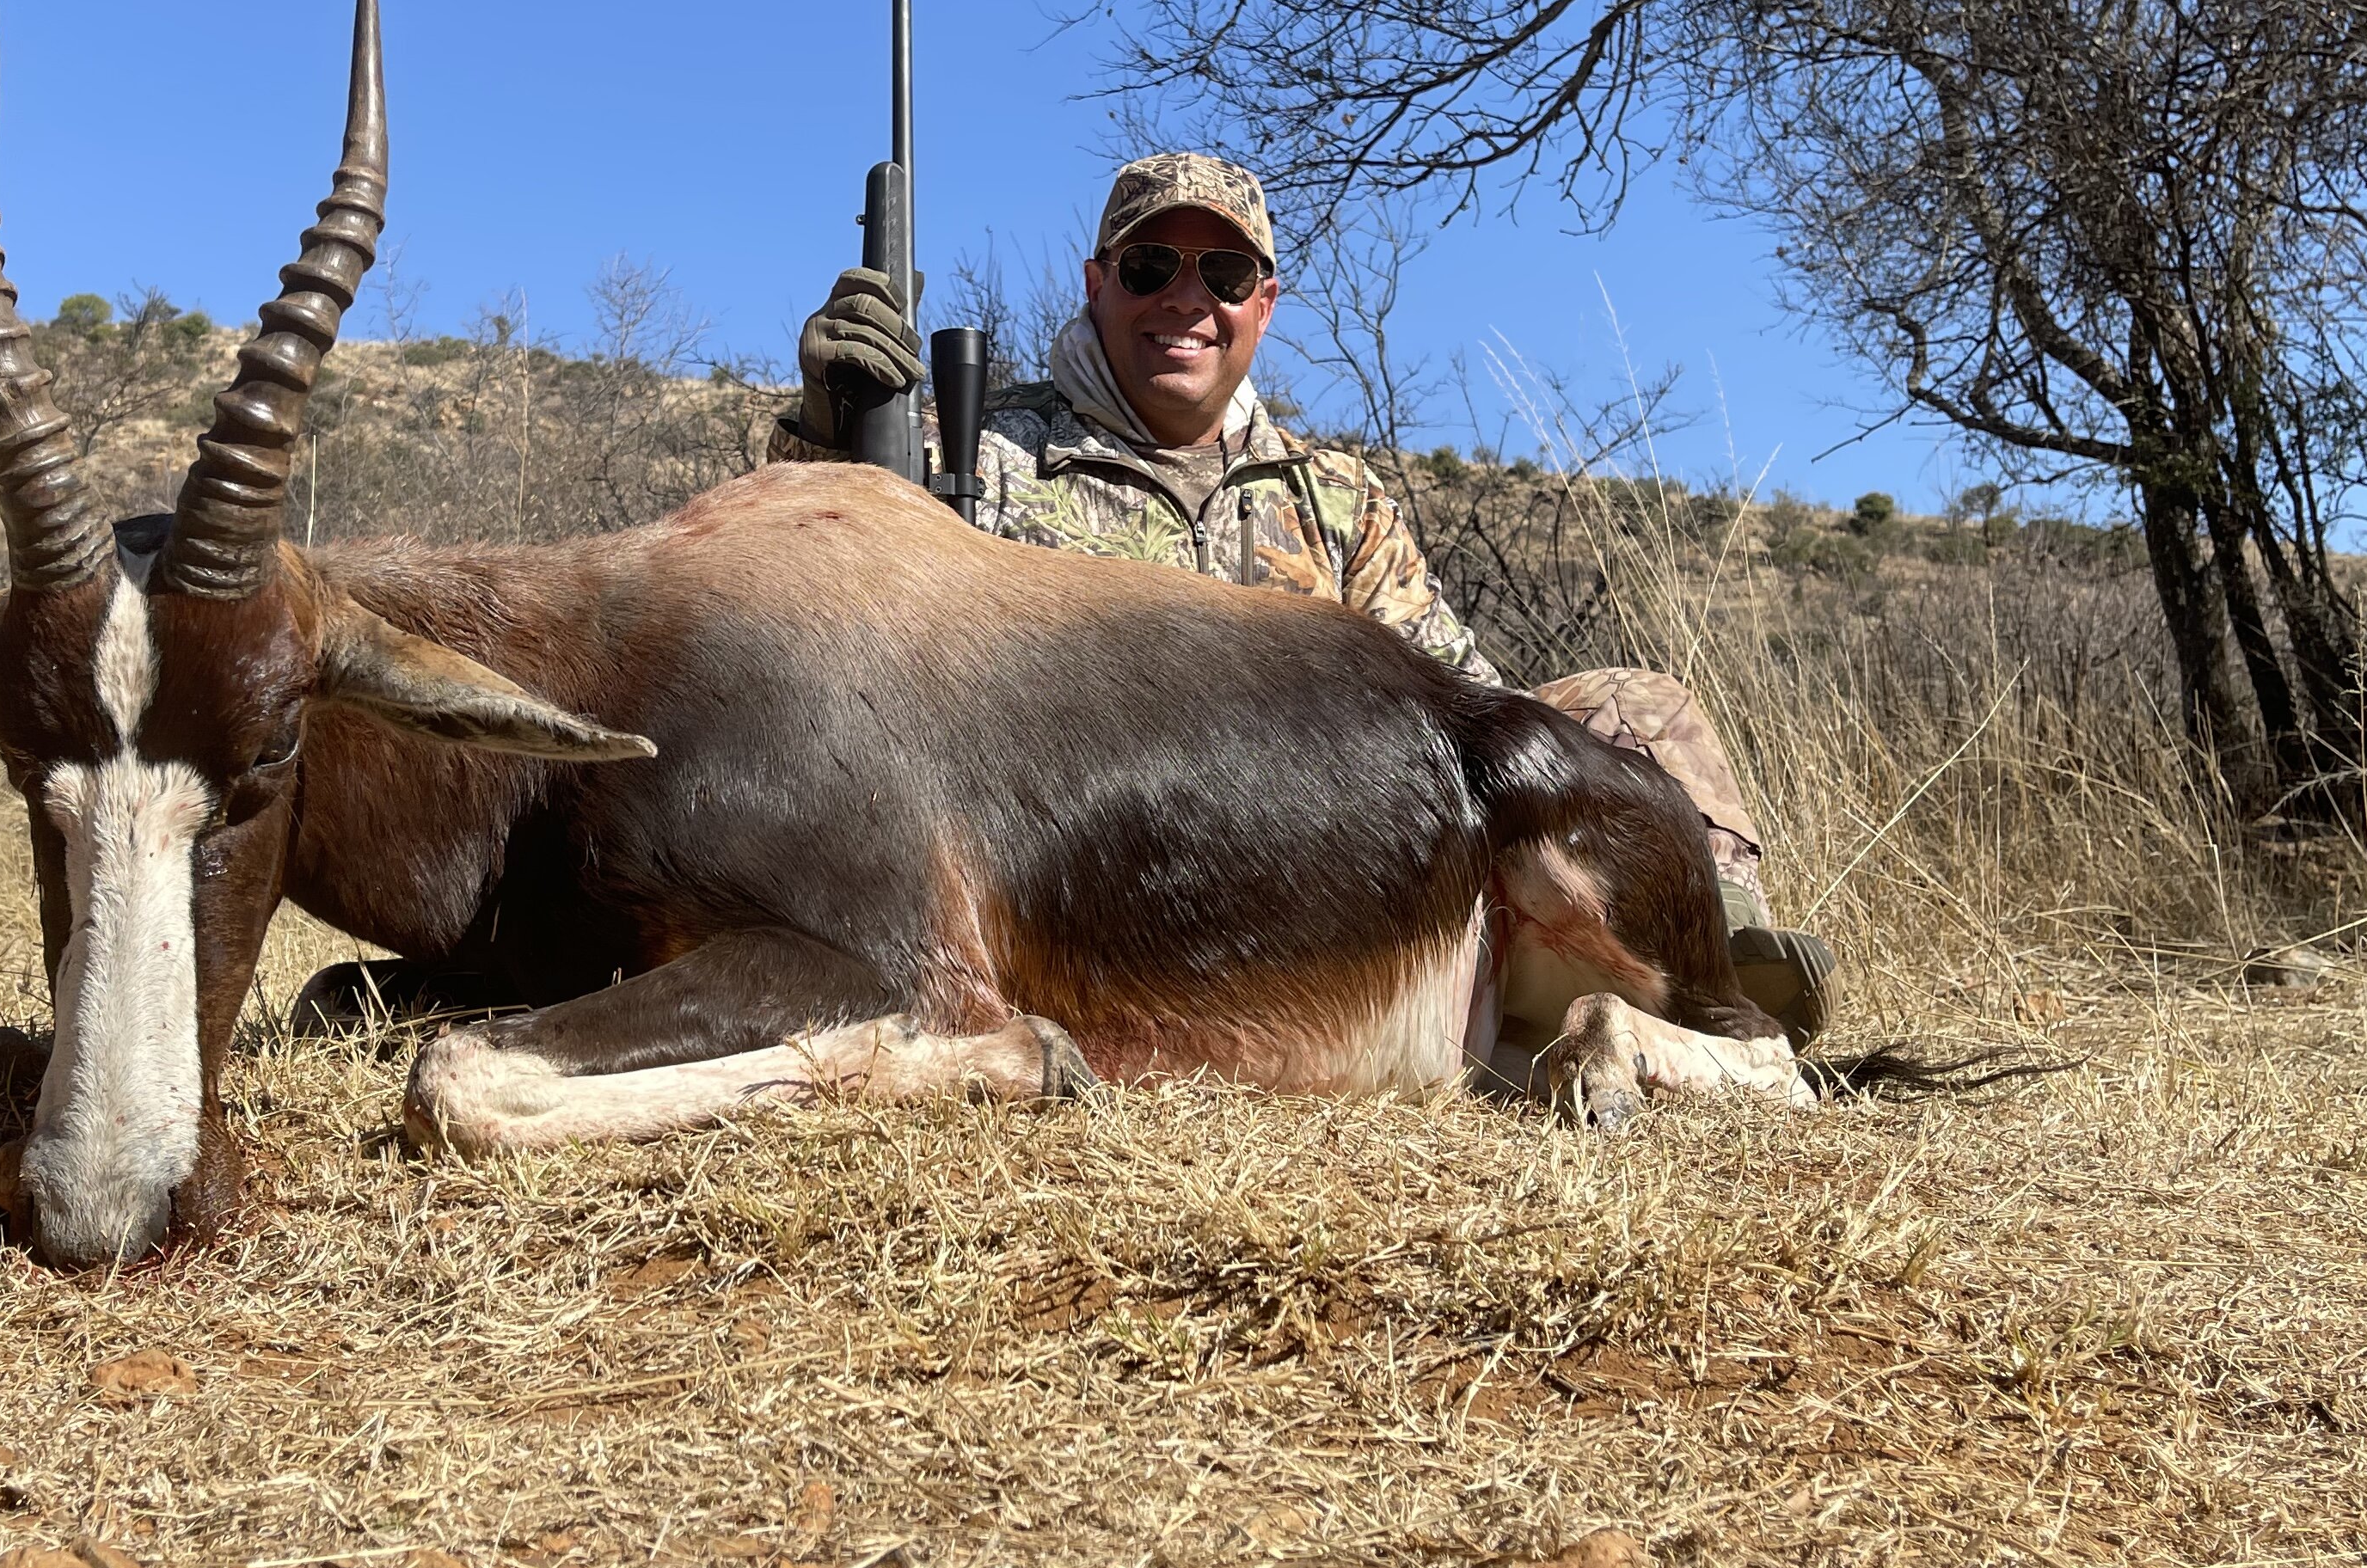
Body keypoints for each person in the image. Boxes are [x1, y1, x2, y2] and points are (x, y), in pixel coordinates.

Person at [784, 149, 1836, 1048]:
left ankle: (1722, 958)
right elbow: (830, 580)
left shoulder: (1335, 499)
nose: (1185, 299)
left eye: (1225, 273)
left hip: (1316, 862)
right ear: (1099, 284)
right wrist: (827, 428)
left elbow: (1469, 697)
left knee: (1633, 706)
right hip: (1081, 865)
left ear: (1264, 306)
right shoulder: (981, 458)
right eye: (1152, 266)